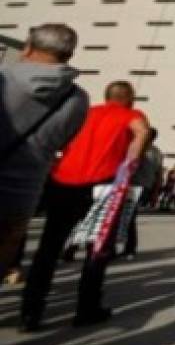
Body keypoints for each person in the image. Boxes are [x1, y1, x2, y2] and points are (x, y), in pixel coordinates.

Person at [20, 79, 150, 331]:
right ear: (130, 97)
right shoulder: (131, 114)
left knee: (48, 247)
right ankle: (86, 308)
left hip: (63, 180)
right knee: (97, 248)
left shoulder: (87, 113)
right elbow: (142, 131)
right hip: (102, 185)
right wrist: (132, 160)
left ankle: (30, 311)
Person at [0, 23, 89, 278]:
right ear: (69, 56)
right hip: (24, 194)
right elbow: (64, 141)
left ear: (28, 47)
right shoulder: (77, 98)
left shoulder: (5, 78)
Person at [123, 127, 163, 259]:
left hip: (135, 186)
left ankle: (129, 248)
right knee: (128, 216)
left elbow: (158, 175)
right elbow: (159, 175)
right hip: (142, 187)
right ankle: (128, 247)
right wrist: (155, 193)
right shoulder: (157, 152)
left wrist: (155, 193)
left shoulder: (144, 150)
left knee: (128, 216)